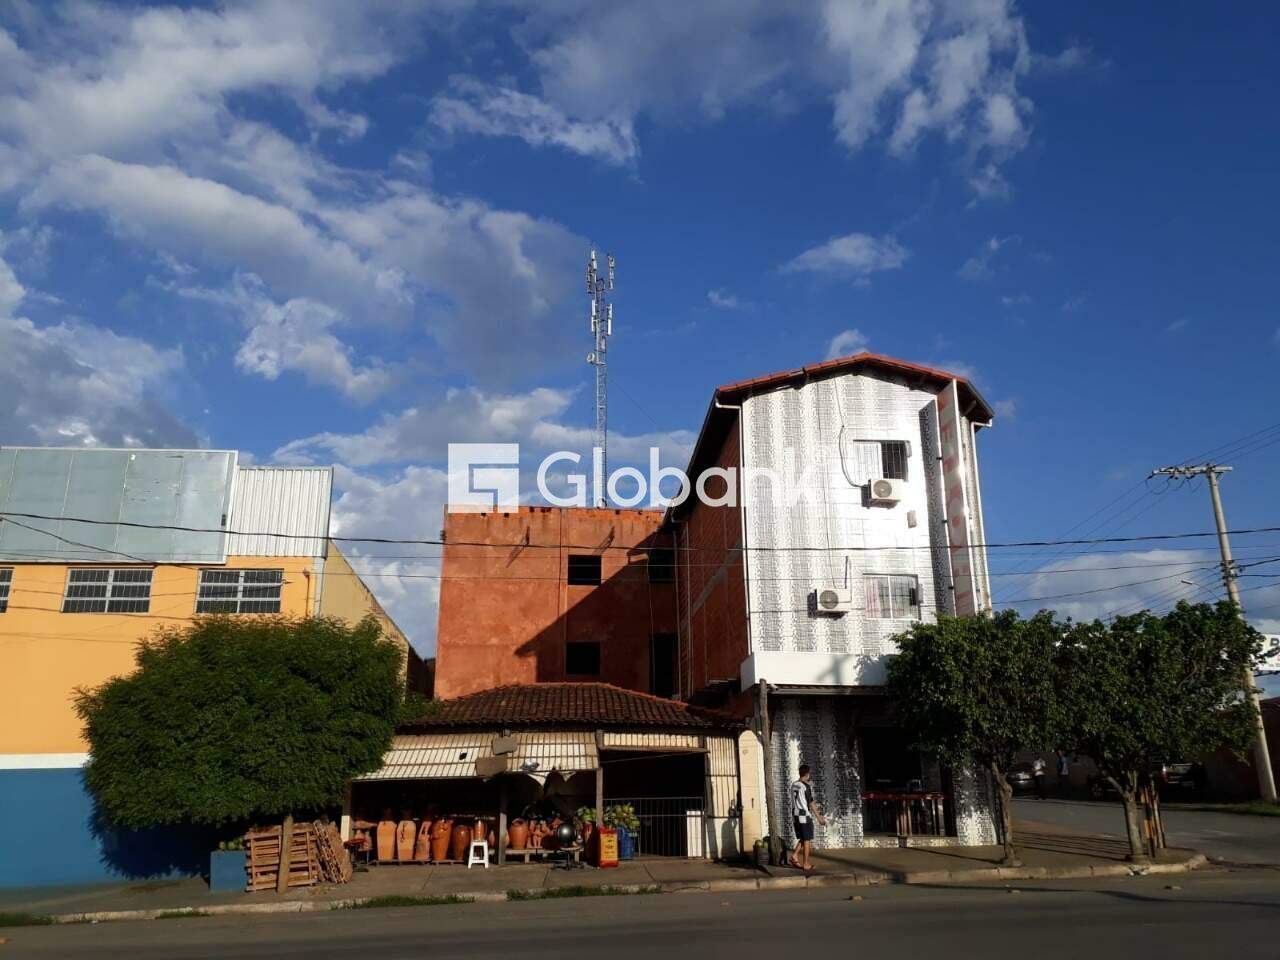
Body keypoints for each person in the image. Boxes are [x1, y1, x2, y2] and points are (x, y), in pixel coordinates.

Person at [789, 764, 826, 871]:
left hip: (795, 815)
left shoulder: (794, 785)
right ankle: (806, 864)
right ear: (807, 774)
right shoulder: (806, 786)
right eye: (809, 773)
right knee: (807, 840)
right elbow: (811, 803)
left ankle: (794, 856)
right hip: (804, 816)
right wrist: (819, 818)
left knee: (803, 837)